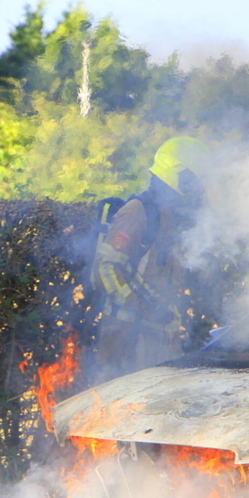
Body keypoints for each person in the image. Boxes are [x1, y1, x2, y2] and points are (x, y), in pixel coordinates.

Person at [90, 136, 211, 381]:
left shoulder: (174, 217)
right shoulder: (137, 211)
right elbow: (105, 269)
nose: (197, 188)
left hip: (161, 344)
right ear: (177, 174)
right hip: (127, 341)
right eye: (193, 180)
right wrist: (143, 306)